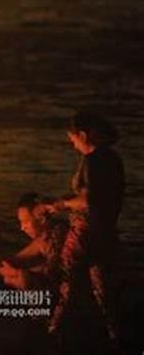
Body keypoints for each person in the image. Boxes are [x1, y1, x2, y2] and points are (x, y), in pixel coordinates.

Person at [34, 112, 123, 342]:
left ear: (82, 135)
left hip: (85, 232)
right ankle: (115, 337)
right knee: (102, 289)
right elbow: (96, 197)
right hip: (106, 232)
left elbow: (88, 201)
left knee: (61, 275)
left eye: (73, 139)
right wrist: (56, 205)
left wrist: (60, 204)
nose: (73, 145)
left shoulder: (93, 160)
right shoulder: (113, 159)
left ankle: (53, 332)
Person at [0, 192, 68, 290]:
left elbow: (51, 273)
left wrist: (0, 270)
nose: (22, 228)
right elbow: (20, 258)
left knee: (18, 280)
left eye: (25, 222)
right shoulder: (45, 236)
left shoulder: (59, 235)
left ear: (42, 220)